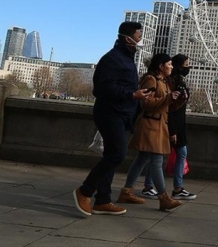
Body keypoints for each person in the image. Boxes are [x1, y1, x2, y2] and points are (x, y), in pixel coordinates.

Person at [73, 21, 154, 216]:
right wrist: (131, 95)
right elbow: (101, 88)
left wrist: (137, 94)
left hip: (121, 113)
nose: (140, 39)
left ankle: (103, 200)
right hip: (110, 112)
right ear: (127, 38)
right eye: (138, 36)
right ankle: (84, 191)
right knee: (117, 154)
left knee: (111, 154)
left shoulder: (126, 59)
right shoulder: (112, 59)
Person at [117, 53, 183, 211]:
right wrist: (168, 98)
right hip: (151, 125)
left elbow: (166, 105)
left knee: (141, 159)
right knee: (157, 161)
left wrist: (179, 100)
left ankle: (127, 191)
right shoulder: (150, 80)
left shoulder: (164, 82)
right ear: (161, 66)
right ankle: (163, 197)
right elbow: (146, 103)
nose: (172, 67)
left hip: (158, 125)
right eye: (169, 64)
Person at [141, 54, 196, 200]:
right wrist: (172, 129)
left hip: (174, 124)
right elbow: (165, 107)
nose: (188, 67)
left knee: (150, 157)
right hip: (168, 124)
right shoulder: (165, 81)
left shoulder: (175, 80)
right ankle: (169, 190)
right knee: (158, 157)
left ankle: (145, 187)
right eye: (185, 64)